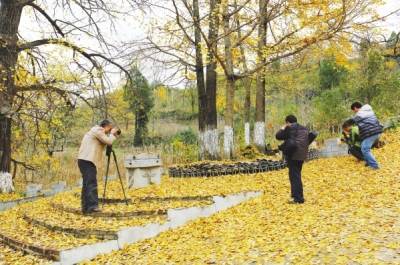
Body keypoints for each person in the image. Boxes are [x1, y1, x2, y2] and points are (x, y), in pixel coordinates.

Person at [78, 119, 119, 213]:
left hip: (83, 159)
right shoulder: (99, 130)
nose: (110, 130)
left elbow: (105, 141)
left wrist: (111, 135)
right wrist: (112, 134)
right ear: (106, 127)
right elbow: (108, 141)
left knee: (87, 184)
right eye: (110, 128)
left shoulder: (93, 131)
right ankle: (93, 206)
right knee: (91, 183)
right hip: (87, 160)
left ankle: (85, 207)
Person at [275, 115, 309, 204]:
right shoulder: (305, 128)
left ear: (288, 122)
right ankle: (295, 194)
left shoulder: (289, 128)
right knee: (295, 174)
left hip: (293, 155)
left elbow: (278, 136)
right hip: (302, 155)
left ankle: (298, 198)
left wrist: (282, 128)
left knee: (295, 176)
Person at [347, 102, 382, 170]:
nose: (354, 112)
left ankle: (374, 166)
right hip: (377, 132)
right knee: (364, 147)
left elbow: (352, 120)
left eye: (353, 111)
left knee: (365, 149)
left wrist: (347, 121)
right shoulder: (368, 111)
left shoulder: (361, 112)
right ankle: (369, 162)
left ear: (355, 108)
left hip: (372, 133)